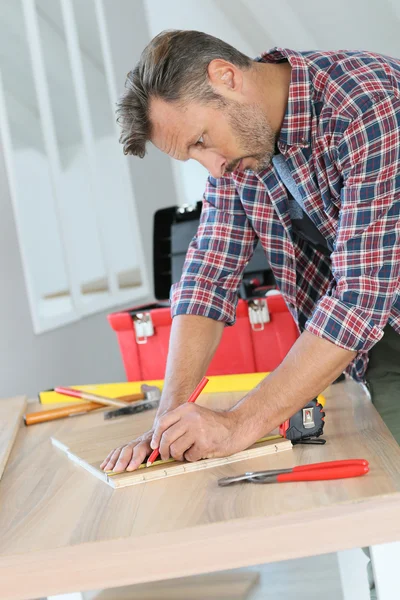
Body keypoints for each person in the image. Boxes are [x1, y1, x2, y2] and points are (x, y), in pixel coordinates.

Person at [101, 30, 400, 476]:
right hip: (379, 346)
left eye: (202, 140)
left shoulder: (368, 105)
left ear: (226, 77)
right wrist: (168, 421)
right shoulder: (241, 150)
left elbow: (359, 297)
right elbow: (206, 278)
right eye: (193, 156)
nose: (213, 166)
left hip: (368, 317)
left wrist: (238, 424)